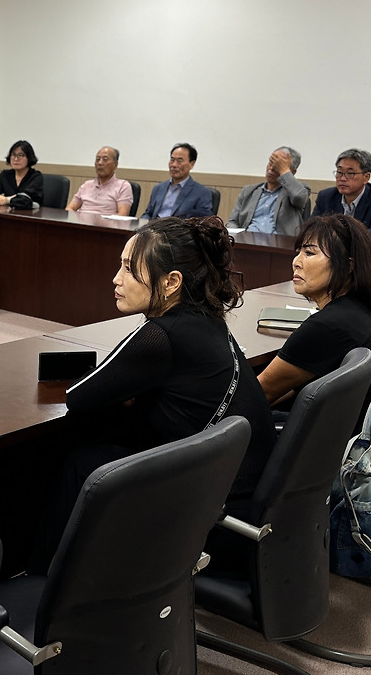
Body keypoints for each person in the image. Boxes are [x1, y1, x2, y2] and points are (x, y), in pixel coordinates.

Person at [32, 216, 276, 570]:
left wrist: (127, 389)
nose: (116, 279)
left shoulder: (160, 335)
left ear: (171, 282)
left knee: (80, 462)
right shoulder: (206, 318)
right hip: (244, 504)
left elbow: (79, 396)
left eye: (130, 270)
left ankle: (45, 577)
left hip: (210, 519)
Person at [257, 215, 371, 406]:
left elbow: (261, 392)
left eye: (309, 253)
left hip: (342, 425)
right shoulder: (356, 310)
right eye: (298, 252)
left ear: (347, 265)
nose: (296, 262)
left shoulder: (328, 325)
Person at [310, 148, 371, 246]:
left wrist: (344, 237)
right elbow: (312, 227)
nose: (342, 178)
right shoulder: (326, 196)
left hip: (365, 252)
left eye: (350, 174)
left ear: (366, 177)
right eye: (339, 172)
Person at [226, 146, 311, 235]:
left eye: (278, 166)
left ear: (292, 172)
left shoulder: (297, 191)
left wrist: (284, 171)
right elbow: (233, 222)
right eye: (271, 163)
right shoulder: (248, 191)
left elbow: (299, 196)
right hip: (247, 240)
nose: (271, 169)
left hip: (279, 242)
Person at [141, 143, 213, 220]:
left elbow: (202, 221)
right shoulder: (158, 188)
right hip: (154, 226)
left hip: (179, 227)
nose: (174, 165)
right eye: (172, 160)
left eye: (179, 161)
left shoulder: (202, 192)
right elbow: (148, 213)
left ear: (192, 164)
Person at [66, 145, 133, 215]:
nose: (100, 163)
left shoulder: (123, 186)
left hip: (106, 222)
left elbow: (122, 215)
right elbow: (69, 208)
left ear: (115, 164)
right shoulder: (86, 185)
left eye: (105, 159)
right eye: (97, 159)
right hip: (82, 221)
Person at [0, 139, 44, 207]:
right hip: (8, 212)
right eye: (13, 155)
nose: (16, 159)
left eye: (21, 155)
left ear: (29, 158)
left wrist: (6, 200)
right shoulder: (5, 175)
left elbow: (25, 199)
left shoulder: (36, 176)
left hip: (30, 212)